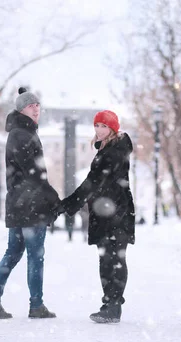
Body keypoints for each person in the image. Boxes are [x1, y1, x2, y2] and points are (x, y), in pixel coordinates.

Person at [0, 87, 60, 319]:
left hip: (19, 203)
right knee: (35, 255)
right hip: (30, 205)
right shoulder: (22, 134)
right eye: (30, 105)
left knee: (13, 252)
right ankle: (36, 305)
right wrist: (53, 198)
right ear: (21, 109)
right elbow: (34, 173)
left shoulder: (22, 132)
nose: (36, 109)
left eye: (37, 105)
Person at [58, 110, 135, 323]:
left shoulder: (114, 150)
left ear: (113, 129)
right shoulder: (106, 149)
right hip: (105, 212)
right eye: (97, 126)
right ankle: (109, 304)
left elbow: (92, 182)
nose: (98, 130)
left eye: (103, 126)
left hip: (116, 213)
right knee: (106, 259)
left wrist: (67, 205)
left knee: (115, 259)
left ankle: (113, 305)